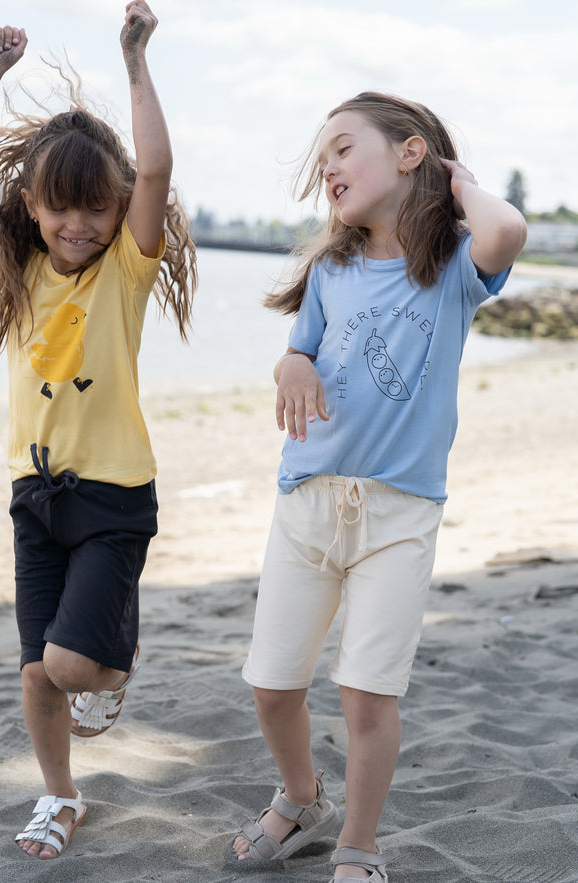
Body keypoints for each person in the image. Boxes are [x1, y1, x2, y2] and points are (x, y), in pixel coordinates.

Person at [0, 1, 196, 861]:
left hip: (114, 495)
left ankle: (114, 651)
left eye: (96, 211)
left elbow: (154, 168)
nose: (78, 226)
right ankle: (58, 796)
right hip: (34, 495)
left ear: (116, 214)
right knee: (39, 668)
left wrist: (135, 58)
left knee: (76, 667)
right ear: (33, 206)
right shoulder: (13, 266)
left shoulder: (123, 274)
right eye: (60, 210)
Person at [232, 92, 526, 882]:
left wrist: (457, 179)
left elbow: (507, 231)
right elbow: (301, 351)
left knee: (367, 696)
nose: (327, 165)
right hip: (308, 500)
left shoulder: (456, 270)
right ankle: (302, 796)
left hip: (398, 512)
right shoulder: (331, 269)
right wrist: (291, 363)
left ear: (409, 154)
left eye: (342, 147)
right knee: (271, 684)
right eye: (321, 156)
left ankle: (358, 845)